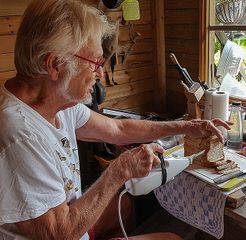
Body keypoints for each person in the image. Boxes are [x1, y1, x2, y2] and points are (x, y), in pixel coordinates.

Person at [0, 0, 230, 239]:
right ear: (55, 64)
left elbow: (117, 128)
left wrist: (186, 127)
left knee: (129, 208)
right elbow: (60, 233)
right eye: (96, 63)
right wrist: (120, 170)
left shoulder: (57, 100)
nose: (100, 73)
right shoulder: (20, 134)